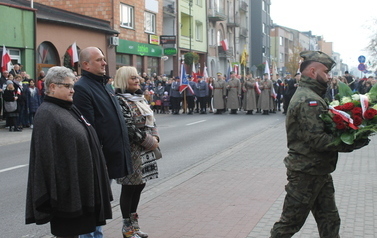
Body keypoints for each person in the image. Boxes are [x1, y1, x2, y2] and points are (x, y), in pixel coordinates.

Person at [270, 51, 370, 238]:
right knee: (289, 224)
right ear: (312, 71)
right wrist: (350, 143)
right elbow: (317, 140)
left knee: (329, 221)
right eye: (325, 72)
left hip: (318, 171)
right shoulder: (309, 100)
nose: (329, 76)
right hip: (305, 173)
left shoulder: (313, 95)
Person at [25, 66, 113, 238]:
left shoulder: (67, 107)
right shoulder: (47, 113)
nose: (73, 90)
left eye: (73, 85)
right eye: (68, 86)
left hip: (78, 188)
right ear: (52, 87)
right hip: (65, 193)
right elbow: (46, 159)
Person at [73, 47, 133, 238]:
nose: (104, 63)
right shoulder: (82, 88)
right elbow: (88, 129)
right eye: (99, 60)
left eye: (104, 59)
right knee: (94, 206)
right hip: (98, 159)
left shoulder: (104, 85)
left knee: (100, 205)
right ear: (86, 65)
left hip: (110, 154)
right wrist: (99, 158)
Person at [114, 66, 160, 238]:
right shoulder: (119, 100)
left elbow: (151, 121)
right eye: (132, 78)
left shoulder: (139, 98)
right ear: (123, 80)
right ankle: (127, 228)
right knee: (129, 188)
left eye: (137, 77)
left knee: (140, 185)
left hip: (145, 149)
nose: (137, 80)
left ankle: (135, 225)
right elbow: (128, 128)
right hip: (130, 150)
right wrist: (150, 142)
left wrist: (155, 137)